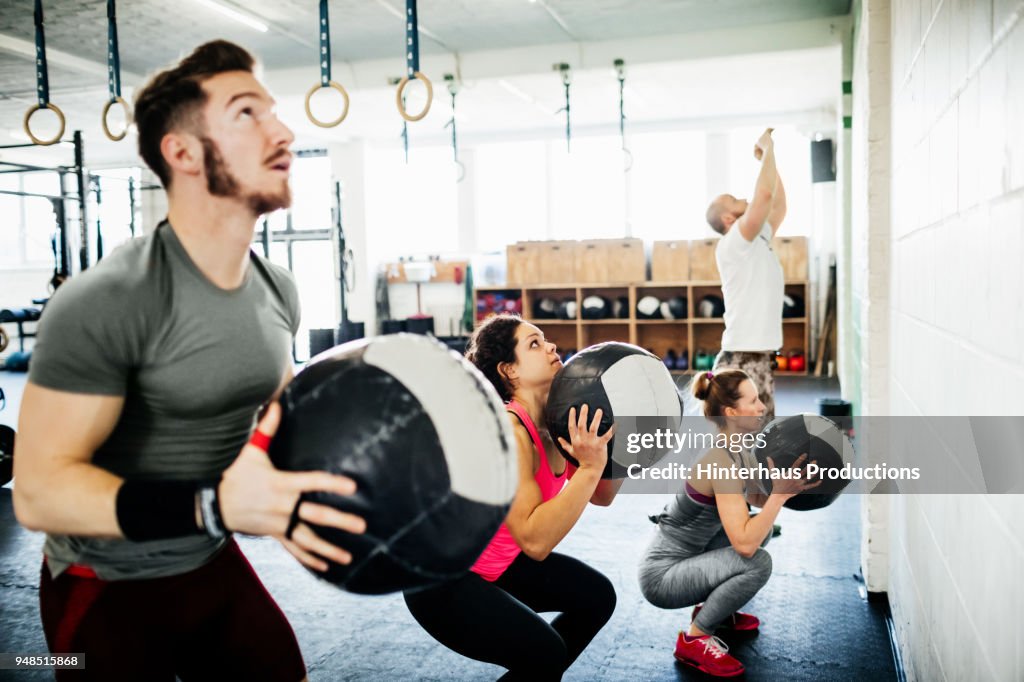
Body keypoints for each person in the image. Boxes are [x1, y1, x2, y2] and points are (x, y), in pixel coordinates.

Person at [12, 40, 366, 681]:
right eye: (246, 114)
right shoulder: (110, 300)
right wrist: (213, 506)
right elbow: (38, 493)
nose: (282, 130)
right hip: (105, 584)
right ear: (182, 152)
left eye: (274, 112)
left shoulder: (276, 288)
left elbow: (281, 426)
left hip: (208, 562)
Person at [403, 313, 619, 680]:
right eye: (534, 343)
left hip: (496, 565)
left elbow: (602, 495)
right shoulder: (507, 431)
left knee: (596, 598)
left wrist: (620, 450)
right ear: (509, 371)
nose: (550, 346)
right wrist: (588, 468)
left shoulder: (557, 423)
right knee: (545, 653)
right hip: (442, 579)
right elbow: (535, 541)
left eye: (545, 339)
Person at [637, 370, 818, 678]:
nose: (762, 407)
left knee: (759, 529)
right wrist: (779, 497)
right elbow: (744, 544)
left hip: (690, 556)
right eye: (753, 401)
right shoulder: (720, 461)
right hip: (662, 576)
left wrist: (785, 486)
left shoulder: (738, 450)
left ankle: (716, 610)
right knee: (757, 559)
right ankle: (695, 637)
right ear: (732, 412)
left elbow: (759, 500)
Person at [704, 128, 787, 419]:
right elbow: (764, 195)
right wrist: (769, 148)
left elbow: (777, 205)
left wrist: (768, 161)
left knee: (762, 444)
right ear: (729, 219)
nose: (745, 199)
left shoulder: (757, 239)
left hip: (759, 359)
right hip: (742, 360)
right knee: (747, 445)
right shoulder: (735, 243)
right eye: (736, 200)